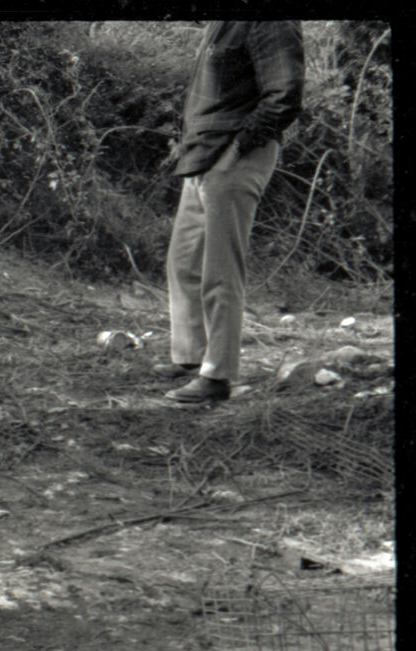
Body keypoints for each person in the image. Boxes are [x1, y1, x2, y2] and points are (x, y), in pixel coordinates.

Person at [158, 21, 305, 404]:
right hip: (204, 151)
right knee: (184, 260)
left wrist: (238, 150)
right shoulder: (222, 22)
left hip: (232, 153)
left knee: (220, 269)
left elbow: (286, 94)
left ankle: (217, 376)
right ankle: (192, 357)